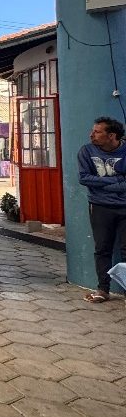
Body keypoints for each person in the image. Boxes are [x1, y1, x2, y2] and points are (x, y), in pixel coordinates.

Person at [77, 116, 126, 303]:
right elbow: (84, 178)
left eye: (97, 132)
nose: (92, 135)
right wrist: (117, 181)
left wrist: (101, 184)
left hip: (124, 207)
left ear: (111, 135)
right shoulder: (86, 151)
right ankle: (103, 289)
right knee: (102, 249)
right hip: (99, 206)